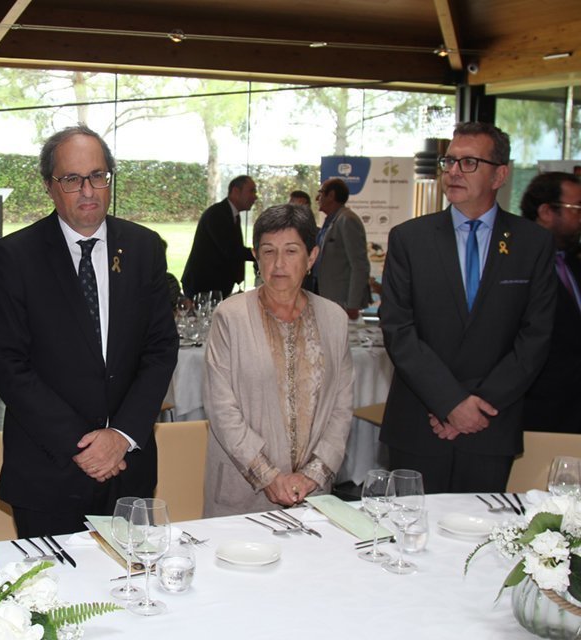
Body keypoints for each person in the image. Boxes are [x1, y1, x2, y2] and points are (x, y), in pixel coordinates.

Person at [0, 124, 178, 537]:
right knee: (55, 597)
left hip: (129, 469)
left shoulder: (145, 248)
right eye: (72, 179)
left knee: (131, 588)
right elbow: (7, 364)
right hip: (48, 470)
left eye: (98, 176)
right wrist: (86, 446)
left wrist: (121, 436)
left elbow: (160, 349)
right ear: (49, 187)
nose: (88, 190)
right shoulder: (15, 257)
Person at [380, 122, 556, 493]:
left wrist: (475, 407)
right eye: (450, 162)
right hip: (419, 426)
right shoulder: (409, 239)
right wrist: (449, 402)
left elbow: (535, 336)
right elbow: (398, 330)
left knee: (481, 545)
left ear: (500, 175)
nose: (454, 172)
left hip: (490, 424)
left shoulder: (532, 244)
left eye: (470, 162)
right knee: (411, 539)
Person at [202, 204, 353, 517]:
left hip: (312, 496)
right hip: (242, 495)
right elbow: (221, 408)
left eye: (291, 251)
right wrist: (268, 476)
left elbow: (341, 407)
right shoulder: (231, 316)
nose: (279, 264)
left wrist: (314, 474)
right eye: (268, 251)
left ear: (312, 256)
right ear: (256, 256)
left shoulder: (334, 319)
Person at [520, 171, 581, 433]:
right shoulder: (516, 265)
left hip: (573, 414)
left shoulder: (573, 262)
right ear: (546, 211)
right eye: (576, 208)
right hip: (535, 415)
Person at [180, 175, 257, 298]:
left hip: (215, 285)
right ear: (236, 191)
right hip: (203, 287)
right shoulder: (217, 214)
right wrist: (261, 253)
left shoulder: (230, 214)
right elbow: (231, 250)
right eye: (252, 191)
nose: (255, 197)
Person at [311, 178, 371, 319]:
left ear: (331, 195)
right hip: (324, 296)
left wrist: (353, 304)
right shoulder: (331, 221)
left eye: (320, 193)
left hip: (340, 301)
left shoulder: (347, 220)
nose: (316, 198)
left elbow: (359, 265)